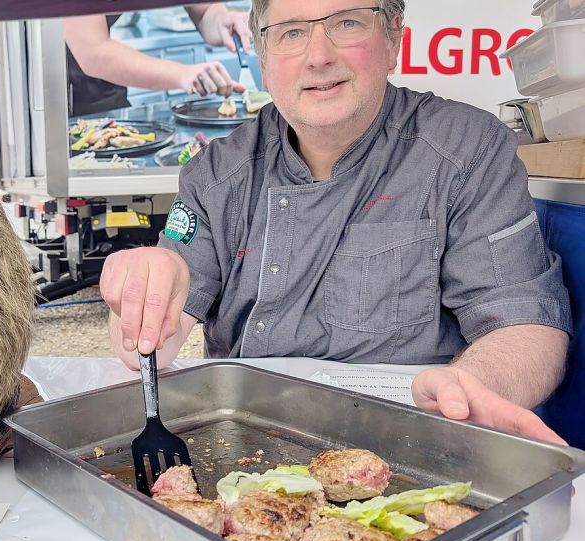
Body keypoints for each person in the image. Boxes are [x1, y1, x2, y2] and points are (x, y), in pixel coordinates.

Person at [99, 0, 573, 444]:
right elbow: (152, 344)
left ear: (394, 40)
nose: (318, 56)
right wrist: (144, 302)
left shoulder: (466, 150)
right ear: (264, 59)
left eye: (346, 22)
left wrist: (471, 385)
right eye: (291, 33)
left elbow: (526, 322)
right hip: (247, 451)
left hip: (413, 441)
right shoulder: (219, 173)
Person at [65, 4, 253, 116]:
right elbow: (93, 51)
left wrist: (222, 19)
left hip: (103, 90)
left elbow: (205, 12)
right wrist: (182, 74)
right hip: (57, 97)